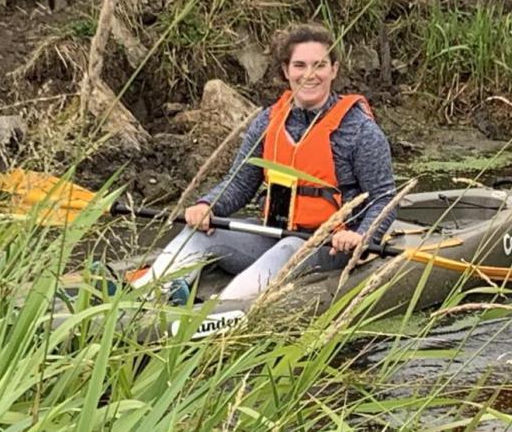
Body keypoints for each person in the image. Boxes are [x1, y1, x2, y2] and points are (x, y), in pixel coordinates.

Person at [131, 23, 397, 302]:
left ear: (334, 70)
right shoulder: (268, 121)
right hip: (273, 233)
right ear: (286, 71)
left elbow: (384, 199)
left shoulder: (359, 130)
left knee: (290, 247)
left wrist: (362, 236)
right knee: (197, 234)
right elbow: (240, 183)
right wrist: (206, 205)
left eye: (319, 65)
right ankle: (143, 299)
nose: (309, 75)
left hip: (331, 245)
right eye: (300, 65)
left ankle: (215, 313)